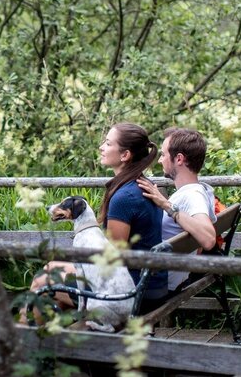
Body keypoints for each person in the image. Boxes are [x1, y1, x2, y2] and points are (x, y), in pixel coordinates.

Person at [24, 123, 168, 320]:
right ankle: (53, 343)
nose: (101, 147)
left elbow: (115, 256)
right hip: (152, 282)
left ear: (125, 155)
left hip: (132, 290)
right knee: (56, 286)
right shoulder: (143, 185)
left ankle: (19, 339)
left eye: (108, 144)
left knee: (44, 278)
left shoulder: (124, 197)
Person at [137, 127, 217, 293]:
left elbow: (208, 239)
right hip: (168, 278)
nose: (160, 160)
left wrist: (166, 205)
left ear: (179, 159)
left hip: (158, 284)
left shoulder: (193, 195)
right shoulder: (197, 191)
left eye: (164, 155)